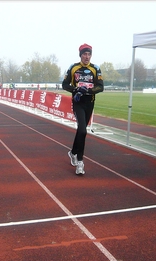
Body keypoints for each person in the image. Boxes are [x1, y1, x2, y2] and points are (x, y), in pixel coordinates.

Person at [62, 43, 104, 175]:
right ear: (80, 55)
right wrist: (76, 89)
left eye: (89, 54)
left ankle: (73, 152)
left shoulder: (95, 69)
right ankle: (80, 162)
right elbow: (64, 84)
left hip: (89, 103)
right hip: (78, 102)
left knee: (81, 131)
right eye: (84, 54)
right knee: (82, 131)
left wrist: (89, 91)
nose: (87, 56)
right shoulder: (73, 68)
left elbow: (101, 87)